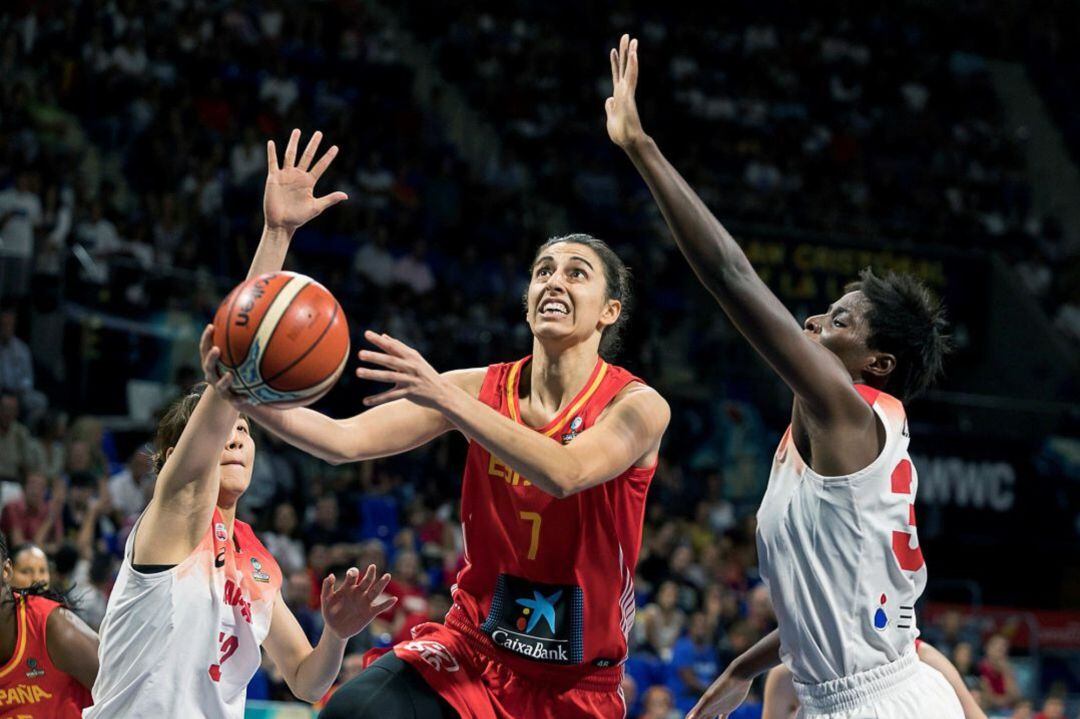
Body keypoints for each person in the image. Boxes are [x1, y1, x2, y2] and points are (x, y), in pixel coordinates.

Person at [604, 35, 956, 719]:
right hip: (856, 691)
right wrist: (741, 666)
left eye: (842, 321)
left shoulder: (851, 416)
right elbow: (829, 603)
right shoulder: (816, 438)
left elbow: (732, 276)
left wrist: (641, 145)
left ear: (874, 364)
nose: (816, 320)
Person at [213, 227, 670, 718]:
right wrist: (238, 387)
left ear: (609, 311)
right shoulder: (476, 389)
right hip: (474, 652)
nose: (554, 282)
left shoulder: (637, 408)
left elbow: (567, 472)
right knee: (354, 710)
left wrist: (447, 397)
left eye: (576, 273)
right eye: (543, 272)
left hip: (576, 684)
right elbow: (341, 441)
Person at [87, 130, 396, 718]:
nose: (237, 436)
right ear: (177, 456)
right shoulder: (173, 520)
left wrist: (335, 633)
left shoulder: (256, 560)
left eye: (247, 433)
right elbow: (233, 377)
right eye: (226, 428)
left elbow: (307, 682)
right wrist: (276, 236)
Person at [0, 533, 98, 718]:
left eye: (41, 570)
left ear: (6, 571)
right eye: (27, 571)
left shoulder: (54, 626)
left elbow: (126, 692)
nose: (37, 578)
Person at [762, 641, 987, 719]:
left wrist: (739, 671)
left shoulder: (927, 661)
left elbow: (975, 715)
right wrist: (739, 671)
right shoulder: (785, 675)